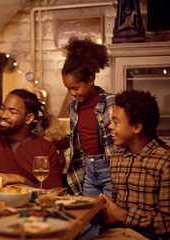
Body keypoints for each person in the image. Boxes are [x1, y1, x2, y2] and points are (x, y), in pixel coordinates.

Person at [96, 90, 170, 239]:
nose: (110, 126)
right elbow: (116, 211)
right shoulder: (117, 158)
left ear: (136, 127)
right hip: (115, 233)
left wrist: (123, 216)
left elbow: (167, 224)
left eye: (115, 122)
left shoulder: (164, 163)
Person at [0, 89, 62, 189]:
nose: (3, 115)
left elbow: (53, 193)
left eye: (12, 112)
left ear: (29, 118)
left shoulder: (46, 148)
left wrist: (20, 179)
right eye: (2, 109)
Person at [61, 37, 117, 197]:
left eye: (75, 88)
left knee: (109, 213)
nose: (72, 93)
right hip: (87, 169)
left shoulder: (112, 102)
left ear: (91, 80)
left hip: (110, 167)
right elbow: (75, 137)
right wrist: (56, 144)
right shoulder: (73, 106)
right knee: (89, 214)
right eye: (68, 89)